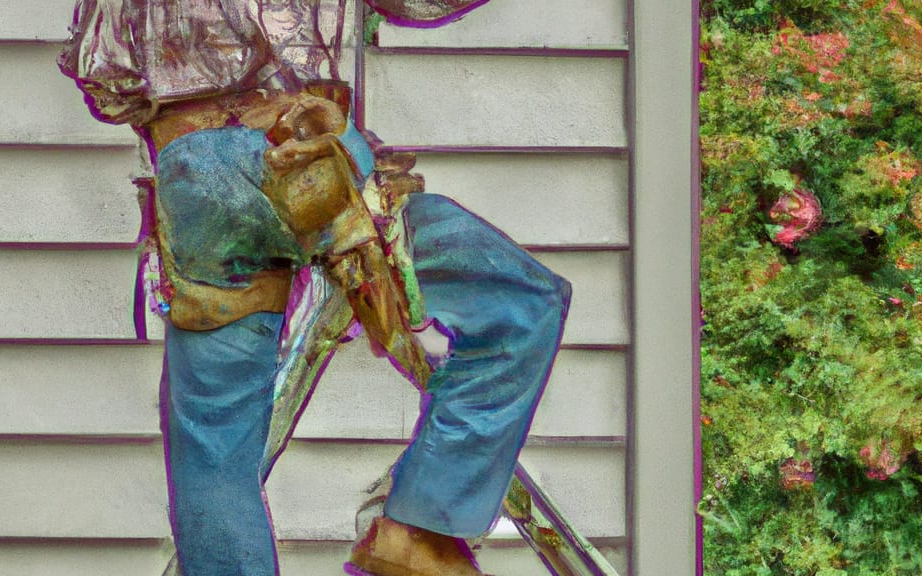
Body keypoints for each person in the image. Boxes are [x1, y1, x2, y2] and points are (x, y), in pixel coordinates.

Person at [59, 2, 570, 575]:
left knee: (213, 440)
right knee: (523, 302)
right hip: (301, 159)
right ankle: (421, 528)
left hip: (191, 173)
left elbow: (105, 80)